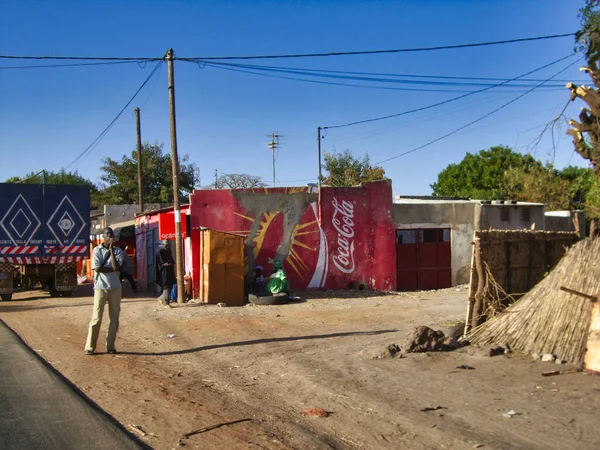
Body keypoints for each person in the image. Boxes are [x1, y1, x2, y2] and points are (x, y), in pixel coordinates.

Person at [84, 227, 125, 355]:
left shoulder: (118, 251)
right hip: (100, 287)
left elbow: (116, 266)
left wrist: (111, 250)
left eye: (111, 234)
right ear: (103, 236)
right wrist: (110, 269)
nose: (110, 236)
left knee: (114, 318)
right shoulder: (97, 250)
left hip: (115, 287)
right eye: (107, 234)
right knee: (96, 317)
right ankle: (90, 347)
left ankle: (110, 346)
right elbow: (98, 268)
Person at [155, 240, 176, 307]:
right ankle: (166, 302)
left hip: (170, 271)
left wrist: (170, 264)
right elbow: (160, 263)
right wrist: (165, 264)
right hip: (164, 272)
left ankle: (161, 298)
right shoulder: (159, 252)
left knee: (170, 285)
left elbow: (171, 260)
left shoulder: (168, 250)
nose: (167, 246)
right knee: (166, 286)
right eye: (166, 244)